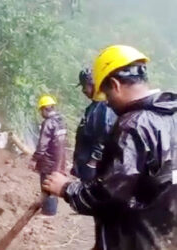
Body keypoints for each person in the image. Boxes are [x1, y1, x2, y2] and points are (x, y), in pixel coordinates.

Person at [43, 45, 177, 249]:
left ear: (114, 85)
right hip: (166, 233)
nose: (108, 102)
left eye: (106, 94)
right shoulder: (172, 115)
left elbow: (111, 194)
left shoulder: (134, 124)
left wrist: (66, 188)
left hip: (134, 238)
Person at [71, 68, 117, 181]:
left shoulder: (103, 108)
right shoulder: (94, 106)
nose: (83, 90)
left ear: (93, 84)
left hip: (91, 168)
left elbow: (103, 137)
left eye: (84, 86)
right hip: (85, 164)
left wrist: (92, 163)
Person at [30, 95, 66, 216]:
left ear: (45, 109)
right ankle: (51, 209)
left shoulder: (48, 123)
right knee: (54, 183)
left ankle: (48, 212)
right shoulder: (60, 120)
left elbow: (42, 144)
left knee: (47, 184)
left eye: (41, 110)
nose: (41, 113)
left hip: (48, 161)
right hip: (59, 160)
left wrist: (34, 159)